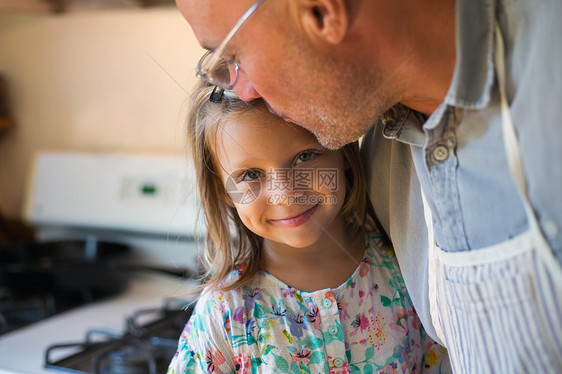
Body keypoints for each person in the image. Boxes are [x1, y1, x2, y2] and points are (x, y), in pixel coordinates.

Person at [175, 0, 562, 373]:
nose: (242, 91)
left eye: (235, 57)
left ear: (322, 11)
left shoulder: (548, 74)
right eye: (250, 175)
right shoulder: (373, 131)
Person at [167, 81, 450, 373]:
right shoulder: (223, 313)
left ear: (343, 152)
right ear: (224, 191)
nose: (285, 193)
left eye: (304, 157)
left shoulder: (404, 270)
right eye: (251, 174)